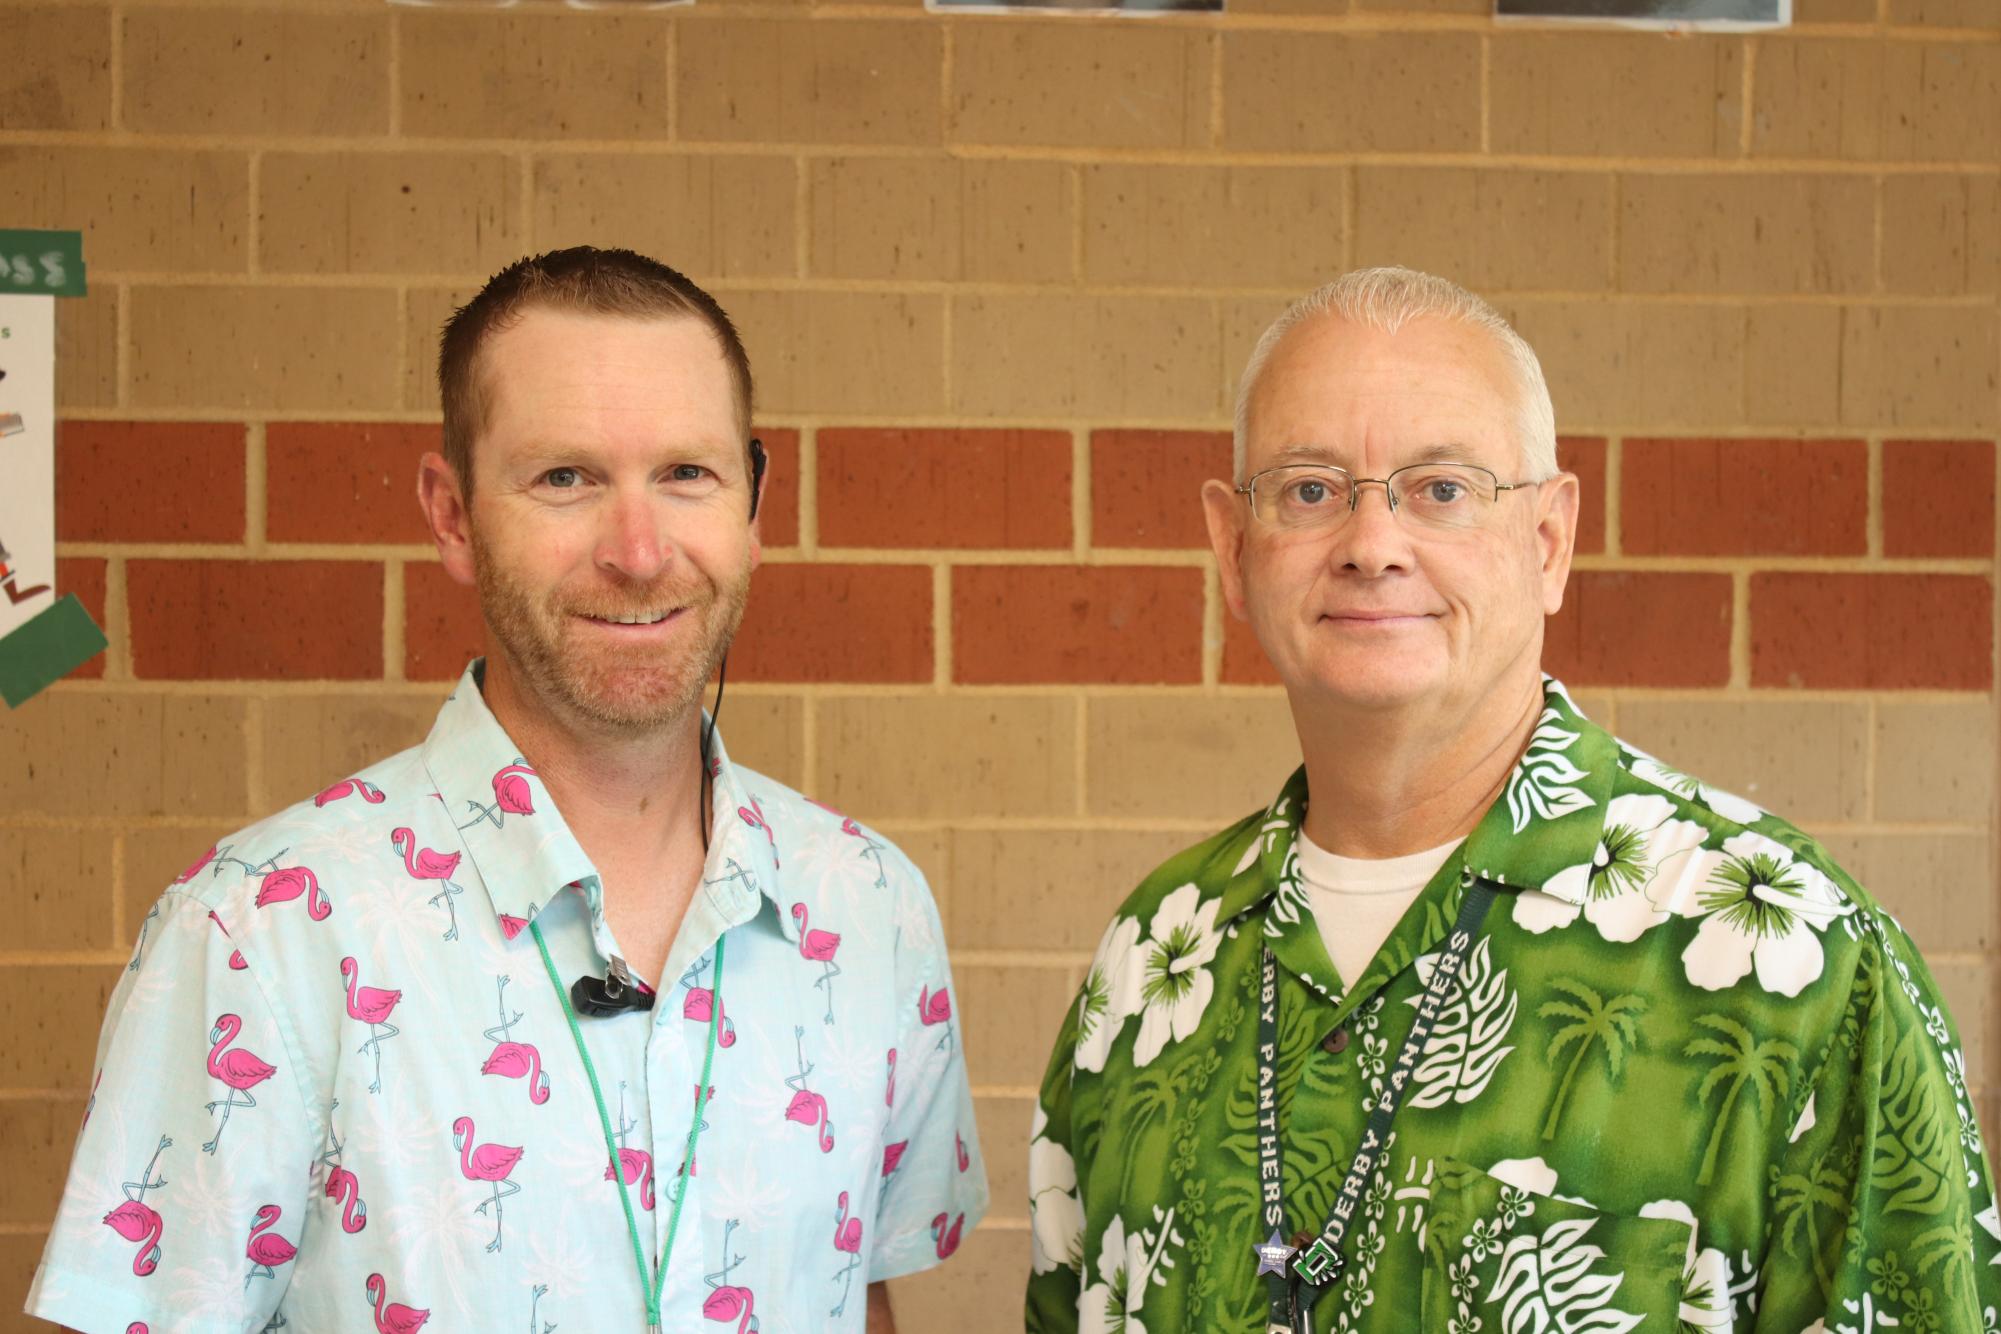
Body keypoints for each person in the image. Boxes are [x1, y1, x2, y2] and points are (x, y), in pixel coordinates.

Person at [29, 247, 986, 1333]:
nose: (637, 549)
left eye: (686, 473)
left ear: (755, 506)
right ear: (451, 515)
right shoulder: (261, 934)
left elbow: (858, 1301)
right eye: (565, 477)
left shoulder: (872, 908)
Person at [1025, 266, 1999, 1332]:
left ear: (1548, 540)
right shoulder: (1151, 961)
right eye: (1309, 488)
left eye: (1442, 488)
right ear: (1232, 548)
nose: (1372, 543)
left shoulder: (1798, 965)